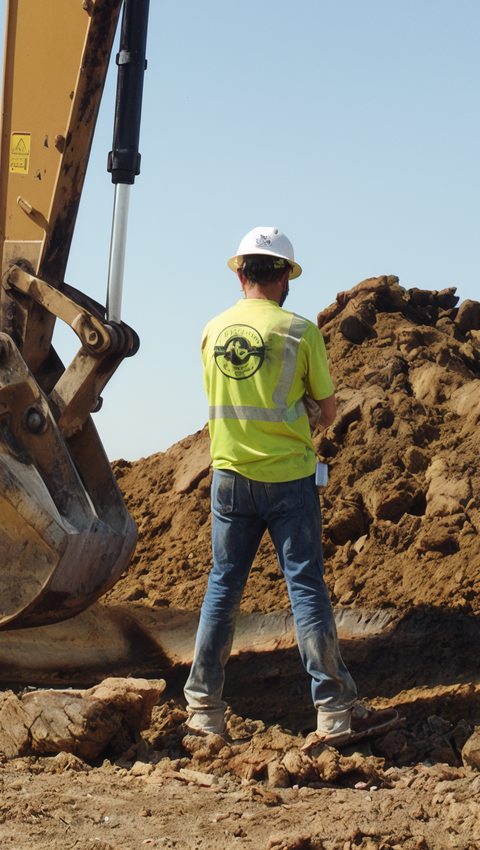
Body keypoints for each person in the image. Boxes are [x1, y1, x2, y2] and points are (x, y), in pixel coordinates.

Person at [185, 226, 386, 743]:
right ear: (283, 277)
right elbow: (327, 412)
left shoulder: (211, 331)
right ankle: (333, 713)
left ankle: (204, 711)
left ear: (241, 272)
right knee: (305, 588)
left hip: (229, 478)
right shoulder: (300, 333)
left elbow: (217, 407)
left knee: (223, 586)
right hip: (289, 480)